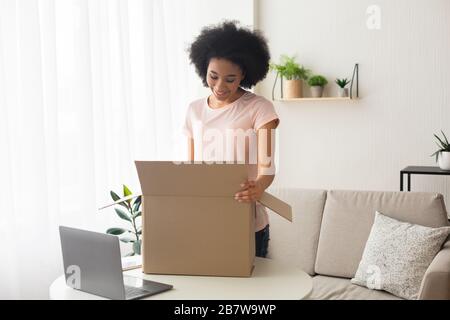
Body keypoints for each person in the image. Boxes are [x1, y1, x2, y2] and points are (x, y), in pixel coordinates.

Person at [183, 21, 279, 258]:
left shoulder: (259, 108)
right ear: (203, 68)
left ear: (244, 74)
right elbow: (191, 169)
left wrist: (259, 187)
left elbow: (267, 168)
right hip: (205, 218)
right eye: (213, 76)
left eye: (230, 79)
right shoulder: (194, 110)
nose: (219, 86)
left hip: (246, 219)